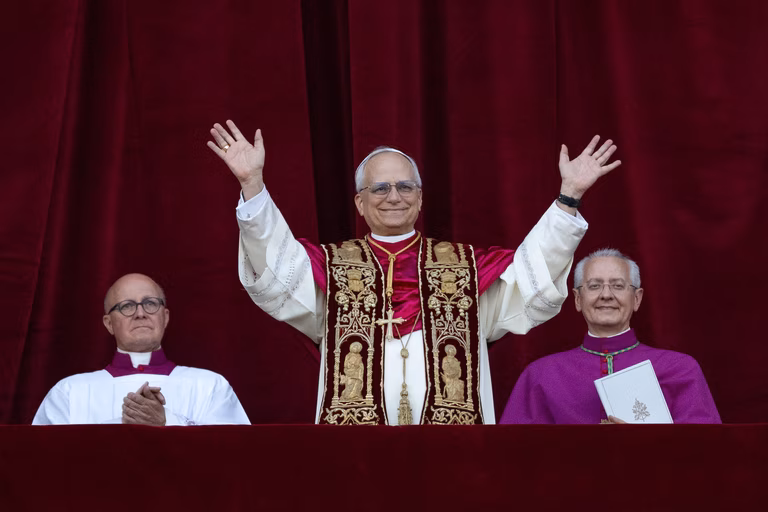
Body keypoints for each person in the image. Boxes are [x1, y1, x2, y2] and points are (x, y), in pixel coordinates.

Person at [208, 120, 620, 425]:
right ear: (359, 203)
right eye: (380, 188)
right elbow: (277, 268)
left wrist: (570, 198)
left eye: (405, 187)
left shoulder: (466, 268)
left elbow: (532, 276)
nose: (394, 197)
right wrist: (253, 185)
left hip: (453, 452)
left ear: (420, 199)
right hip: (356, 456)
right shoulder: (329, 270)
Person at [499, 248, 721, 424]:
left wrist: (647, 442)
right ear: (577, 299)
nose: (606, 295)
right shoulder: (541, 376)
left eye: (618, 285)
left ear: (637, 299)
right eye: (595, 286)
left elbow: (704, 451)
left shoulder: (680, 370)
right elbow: (515, 455)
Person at [33, 273, 250, 425]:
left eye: (150, 303)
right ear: (109, 323)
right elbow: (47, 462)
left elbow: (232, 456)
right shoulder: (69, 392)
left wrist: (167, 423)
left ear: (165, 317)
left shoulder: (211, 386)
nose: (140, 313)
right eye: (127, 306)